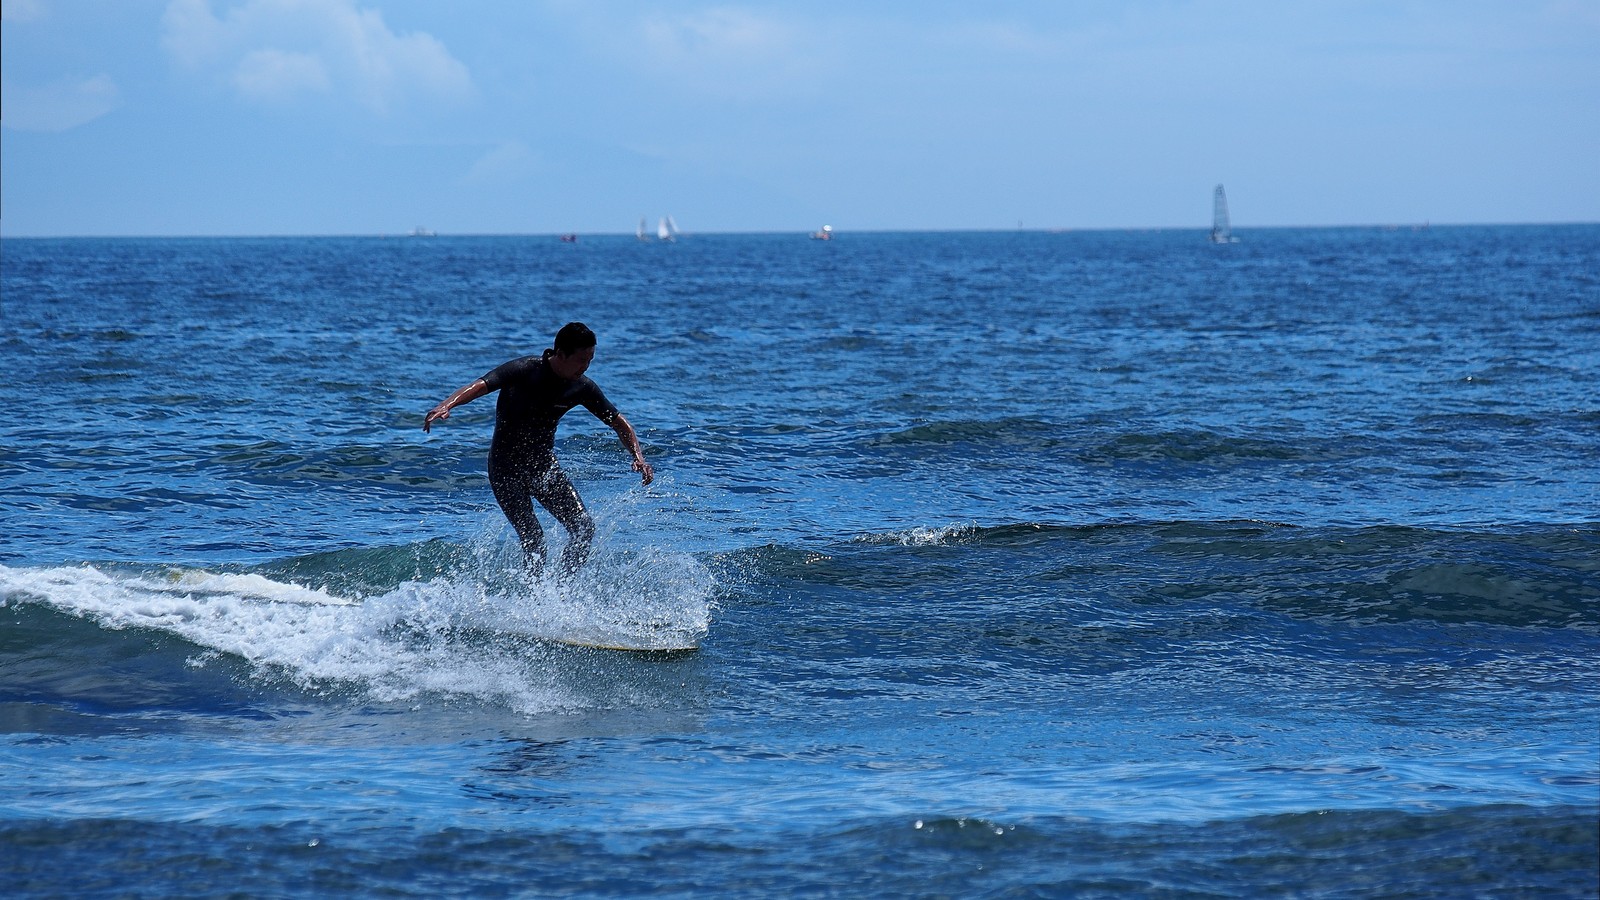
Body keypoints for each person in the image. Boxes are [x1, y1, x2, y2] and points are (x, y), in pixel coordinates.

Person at [423, 322, 653, 575]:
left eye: (590, 360)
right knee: (533, 538)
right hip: (505, 469)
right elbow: (480, 385)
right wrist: (447, 405)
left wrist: (638, 457)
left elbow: (619, 423)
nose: (586, 366)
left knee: (583, 528)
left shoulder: (581, 387)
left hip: (543, 468)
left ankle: (562, 588)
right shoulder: (523, 369)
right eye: (581, 360)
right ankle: (533, 592)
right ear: (560, 353)